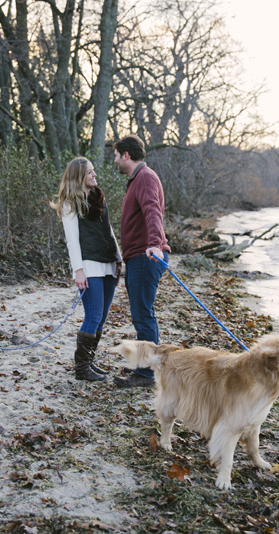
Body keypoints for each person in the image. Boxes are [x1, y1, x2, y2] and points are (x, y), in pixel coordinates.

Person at [50, 157, 123, 381]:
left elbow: (108, 231)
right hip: (89, 266)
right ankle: (81, 368)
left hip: (108, 263)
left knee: (101, 318)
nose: (95, 175)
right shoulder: (69, 203)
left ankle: (89, 361)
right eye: (90, 172)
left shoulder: (99, 198)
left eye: (93, 171)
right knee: (92, 316)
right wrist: (78, 270)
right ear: (79, 176)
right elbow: (72, 240)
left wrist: (119, 259)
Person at [111, 135, 170, 389]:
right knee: (141, 314)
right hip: (138, 256)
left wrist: (155, 244)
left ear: (126, 155)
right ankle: (147, 369)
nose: (114, 160)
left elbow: (152, 209)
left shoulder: (144, 177)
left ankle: (146, 375)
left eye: (115, 155)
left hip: (147, 256)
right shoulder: (136, 180)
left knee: (143, 315)